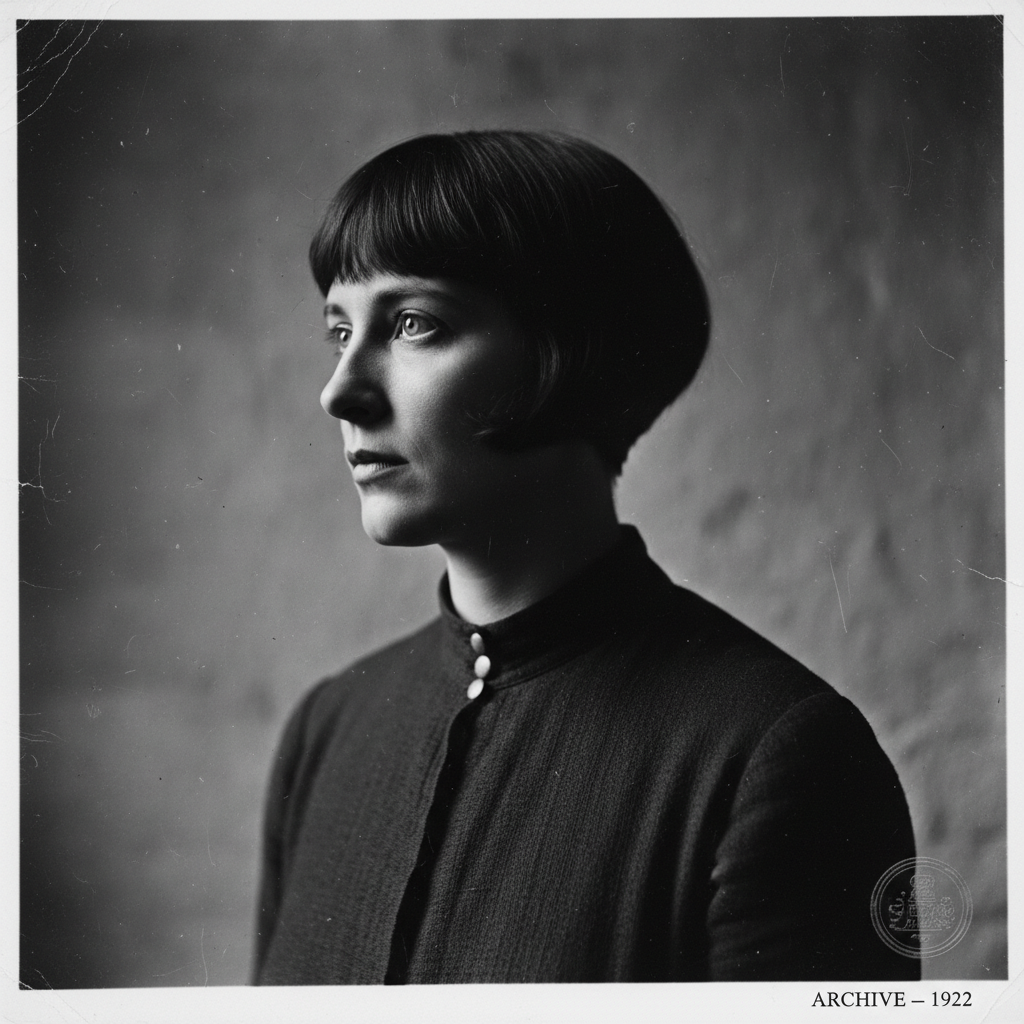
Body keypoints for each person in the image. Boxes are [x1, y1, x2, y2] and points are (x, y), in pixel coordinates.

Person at [253, 130, 918, 984]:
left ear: (569, 353)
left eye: (414, 324)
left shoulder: (770, 755)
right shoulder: (327, 730)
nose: (340, 389)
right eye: (339, 331)